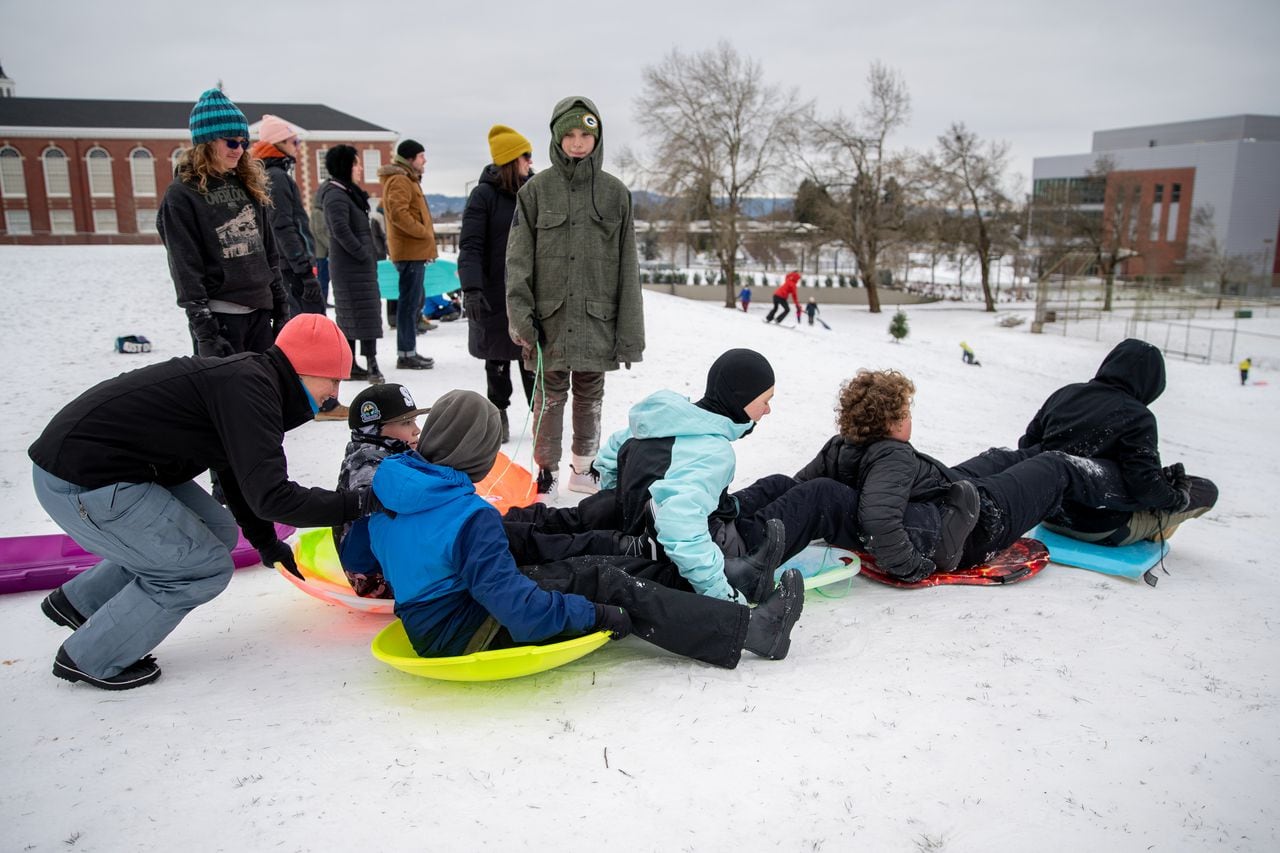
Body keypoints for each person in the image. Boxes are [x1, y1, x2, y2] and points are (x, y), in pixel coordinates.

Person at [31, 315, 363, 690]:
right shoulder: (250, 390)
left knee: (217, 531)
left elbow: (236, 471)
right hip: (80, 479)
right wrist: (358, 504)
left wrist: (265, 541)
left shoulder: (252, 381)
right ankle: (93, 657)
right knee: (200, 568)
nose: (334, 393)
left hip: (111, 468)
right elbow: (273, 497)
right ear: (305, 367)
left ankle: (80, 603)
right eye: (333, 379)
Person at [366, 390, 805, 664]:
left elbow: (391, 556)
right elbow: (523, 614)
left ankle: (723, 585)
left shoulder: (393, 491)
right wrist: (596, 615)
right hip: (466, 632)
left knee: (581, 563)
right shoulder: (468, 517)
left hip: (441, 617)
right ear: (477, 455)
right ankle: (753, 630)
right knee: (607, 584)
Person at [796, 369, 1159, 582]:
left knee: (1000, 458)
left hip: (938, 501)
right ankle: (1119, 490)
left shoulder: (843, 446)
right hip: (975, 526)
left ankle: (1036, 464)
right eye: (906, 413)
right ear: (891, 422)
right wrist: (912, 567)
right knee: (1056, 467)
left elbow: (799, 488)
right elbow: (879, 520)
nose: (910, 418)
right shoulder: (893, 457)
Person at [506, 96, 644, 498]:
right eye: (570, 135)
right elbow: (517, 261)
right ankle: (545, 471)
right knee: (547, 397)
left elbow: (628, 267)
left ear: (597, 138)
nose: (578, 142)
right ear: (556, 137)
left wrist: (629, 336)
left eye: (586, 134)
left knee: (590, 396)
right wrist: (521, 318)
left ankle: (584, 468)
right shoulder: (535, 192)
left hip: (597, 320)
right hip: (548, 320)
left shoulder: (616, 194)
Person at [1017, 339, 1218, 546]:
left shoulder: (1064, 394)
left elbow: (1027, 446)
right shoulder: (1138, 417)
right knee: (1205, 489)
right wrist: (1177, 497)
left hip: (1046, 514)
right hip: (1101, 529)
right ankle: (1150, 529)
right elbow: (1145, 487)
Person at [157, 88, 288, 362]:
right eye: (231, 142)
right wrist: (205, 330)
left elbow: (269, 252)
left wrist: (280, 306)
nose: (238, 149)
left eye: (243, 142)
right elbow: (184, 266)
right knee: (228, 388)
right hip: (221, 318)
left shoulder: (248, 184)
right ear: (206, 143)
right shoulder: (182, 194)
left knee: (264, 386)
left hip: (260, 313)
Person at [459, 124, 538, 444]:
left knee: (533, 355)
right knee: (497, 357)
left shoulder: (535, 190)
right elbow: (471, 245)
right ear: (510, 160)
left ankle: (541, 414)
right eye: (525, 156)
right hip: (494, 289)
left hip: (530, 288)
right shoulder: (483, 196)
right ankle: (499, 412)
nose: (530, 161)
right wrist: (472, 288)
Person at [321, 145, 384, 385]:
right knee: (350, 315)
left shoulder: (348, 192)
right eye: (356, 163)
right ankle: (353, 364)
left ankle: (368, 362)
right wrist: (362, 253)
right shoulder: (334, 195)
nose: (360, 168)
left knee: (368, 314)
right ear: (345, 165)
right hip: (349, 268)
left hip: (361, 267)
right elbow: (340, 230)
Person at [252, 114, 323, 318]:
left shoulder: (269, 174)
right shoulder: (276, 177)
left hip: (286, 266)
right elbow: (283, 226)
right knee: (309, 323)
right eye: (294, 142)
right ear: (279, 143)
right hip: (291, 268)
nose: (298, 147)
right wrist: (304, 271)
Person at [377, 139, 437, 370]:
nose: (425, 161)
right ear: (410, 158)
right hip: (410, 252)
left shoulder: (407, 179)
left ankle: (408, 351)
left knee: (412, 304)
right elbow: (397, 213)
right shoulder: (400, 180)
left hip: (414, 252)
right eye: (421, 156)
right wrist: (423, 233)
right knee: (409, 305)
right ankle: (405, 354)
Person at [309, 190, 331, 306]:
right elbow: (319, 232)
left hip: (322, 252)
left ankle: (324, 300)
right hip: (320, 253)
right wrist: (330, 245)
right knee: (322, 278)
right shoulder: (318, 212)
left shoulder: (320, 212)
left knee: (324, 278)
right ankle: (323, 301)